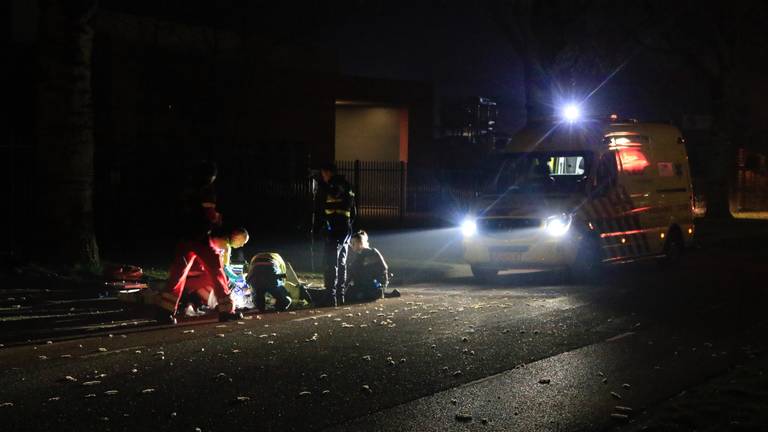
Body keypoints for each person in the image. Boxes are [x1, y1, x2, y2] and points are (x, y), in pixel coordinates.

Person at [156, 226, 248, 324]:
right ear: (235, 235)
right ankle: (226, 310)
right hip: (202, 238)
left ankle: (164, 312)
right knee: (217, 274)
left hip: (186, 237)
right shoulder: (222, 243)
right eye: (243, 241)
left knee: (178, 274)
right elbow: (220, 269)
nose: (242, 245)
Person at [313, 163, 356, 306]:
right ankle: (339, 295)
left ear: (328, 172)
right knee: (340, 262)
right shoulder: (346, 185)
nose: (322, 177)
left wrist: (321, 184)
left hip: (336, 227)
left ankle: (331, 297)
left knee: (330, 262)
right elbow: (353, 210)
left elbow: (334, 194)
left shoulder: (337, 184)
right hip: (344, 226)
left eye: (323, 174)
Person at [346, 230, 395, 302]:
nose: (351, 245)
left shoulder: (372, 252)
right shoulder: (359, 256)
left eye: (354, 243)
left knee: (355, 296)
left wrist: (380, 284)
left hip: (375, 285)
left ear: (360, 243)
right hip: (367, 285)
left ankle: (379, 293)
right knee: (348, 294)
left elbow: (383, 269)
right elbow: (352, 272)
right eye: (351, 243)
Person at [177, 160, 222, 239]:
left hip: (182, 227)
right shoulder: (208, 189)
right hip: (198, 231)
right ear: (212, 177)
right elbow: (210, 213)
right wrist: (216, 218)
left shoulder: (188, 186)